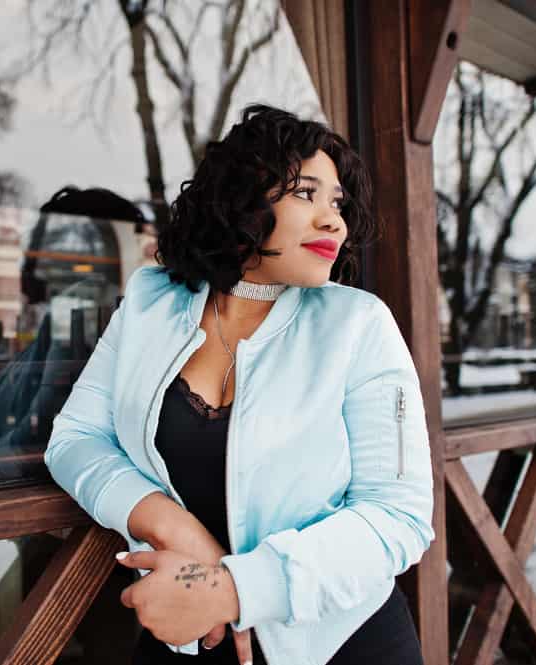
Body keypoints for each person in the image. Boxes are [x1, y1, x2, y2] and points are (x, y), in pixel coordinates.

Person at [43, 105, 434, 665]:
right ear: (241, 198)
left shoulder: (359, 324)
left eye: (338, 203)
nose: (334, 221)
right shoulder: (150, 304)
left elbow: (398, 517)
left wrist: (235, 588)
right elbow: (76, 438)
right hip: (186, 637)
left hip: (338, 645)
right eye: (306, 194)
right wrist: (171, 525)